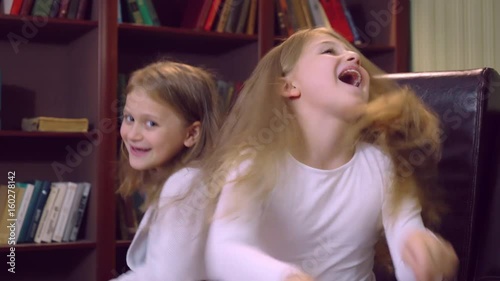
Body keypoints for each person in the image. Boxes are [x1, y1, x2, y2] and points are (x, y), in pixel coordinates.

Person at [202, 27, 459, 281]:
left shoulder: (383, 166)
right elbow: (223, 251)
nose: (354, 57)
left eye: (352, 52)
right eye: (328, 51)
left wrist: (426, 257)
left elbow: (408, 239)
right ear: (289, 86)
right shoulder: (254, 162)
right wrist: (287, 277)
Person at [110, 60, 222, 280]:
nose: (133, 134)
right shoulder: (187, 178)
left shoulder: (184, 185)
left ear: (192, 134)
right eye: (129, 118)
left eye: (151, 124)